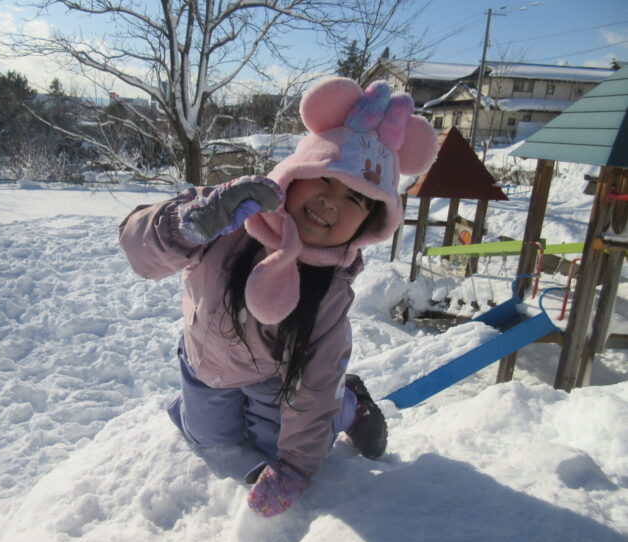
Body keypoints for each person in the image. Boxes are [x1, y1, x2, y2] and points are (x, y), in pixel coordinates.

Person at [119, 77, 438, 518]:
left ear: (368, 226)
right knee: (207, 435)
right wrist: (185, 227)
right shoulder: (226, 214)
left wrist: (297, 467)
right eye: (324, 178)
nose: (331, 202)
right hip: (206, 357)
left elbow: (317, 383)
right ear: (293, 174)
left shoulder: (329, 290)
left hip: (277, 374)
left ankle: (351, 405)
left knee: (280, 443)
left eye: (355, 199)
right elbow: (138, 252)